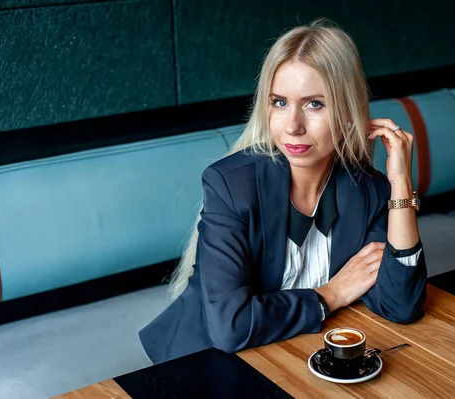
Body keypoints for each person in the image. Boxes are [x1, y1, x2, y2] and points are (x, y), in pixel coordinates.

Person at [139, 18, 427, 364]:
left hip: (293, 357)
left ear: (349, 112)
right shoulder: (230, 185)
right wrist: (329, 295)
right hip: (204, 361)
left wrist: (401, 185)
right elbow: (231, 327)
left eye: (314, 104)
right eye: (279, 103)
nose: (293, 126)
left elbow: (400, 305)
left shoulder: (369, 189)